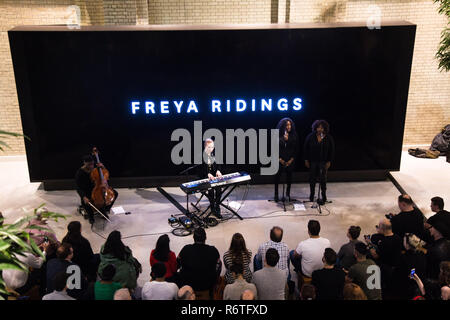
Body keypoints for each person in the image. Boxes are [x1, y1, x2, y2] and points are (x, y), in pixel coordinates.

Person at [177, 227, 221, 299]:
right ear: (205, 238)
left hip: (188, 284)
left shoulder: (186, 249)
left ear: (193, 237)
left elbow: (177, 264)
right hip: (207, 284)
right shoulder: (213, 250)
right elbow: (219, 267)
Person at [75, 154, 118, 225]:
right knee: (87, 202)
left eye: (92, 164)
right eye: (89, 165)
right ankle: (91, 216)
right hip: (87, 191)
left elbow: (105, 176)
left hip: (99, 188)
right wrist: (83, 197)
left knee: (115, 194)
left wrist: (103, 168)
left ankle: (105, 210)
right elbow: (78, 187)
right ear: (84, 163)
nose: (91, 166)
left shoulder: (96, 169)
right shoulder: (80, 173)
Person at [365, 218, 402, 298]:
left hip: (385, 268)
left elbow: (375, 255)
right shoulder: (397, 238)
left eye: (378, 227)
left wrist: (369, 244)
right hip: (396, 266)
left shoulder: (384, 242)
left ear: (382, 229)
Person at [304, 120, 335, 203]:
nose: (320, 129)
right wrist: (306, 159)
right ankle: (312, 195)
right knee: (312, 179)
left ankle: (324, 196)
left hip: (323, 162)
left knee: (323, 179)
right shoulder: (310, 136)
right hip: (313, 161)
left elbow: (331, 150)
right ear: (315, 128)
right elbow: (306, 148)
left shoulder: (328, 138)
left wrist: (329, 161)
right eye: (318, 127)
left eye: (322, 127)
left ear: (325, 128)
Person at [392, 233, 427, 299]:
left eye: (404, 241)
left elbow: (400, 273)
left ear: (408, 244)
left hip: (408, 287)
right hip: (421, 284)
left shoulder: (404, 257)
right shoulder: (421, 253)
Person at [196, 138, 223, 219]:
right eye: (209, 147)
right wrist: (207, 174)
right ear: (205, 146)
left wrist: (218, 170)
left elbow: (219, 165)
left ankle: (217, 205)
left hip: (214, 177)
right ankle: (212, 206)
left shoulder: (215, 155)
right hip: (204, 177)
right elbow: (198, 170)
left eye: (212, 147)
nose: (211, 149)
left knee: (219, 189)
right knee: (211, 189)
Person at [274, 118, 298, 202]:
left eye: (290, 124)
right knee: (277, 177)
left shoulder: (294, 135)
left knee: (289, 178)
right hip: (279, 160)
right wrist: (280, 159)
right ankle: (276, 195)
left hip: (290, 160)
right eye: (287, 125)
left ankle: (287, 194)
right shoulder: (277, 136)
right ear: (283, 126)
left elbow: (295, 149)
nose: (289, 126)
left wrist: (291, 160)